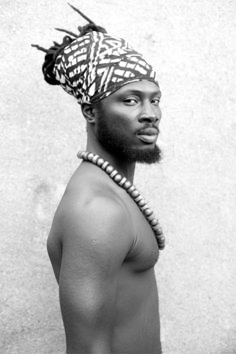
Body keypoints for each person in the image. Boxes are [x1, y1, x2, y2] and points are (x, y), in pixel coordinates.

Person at [33, 4, 165, 353]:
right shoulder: (97, 211)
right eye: (131, 100)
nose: (149, 114)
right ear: (91, 111)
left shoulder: (112, 191)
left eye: (155, 100)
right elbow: (88, 348)